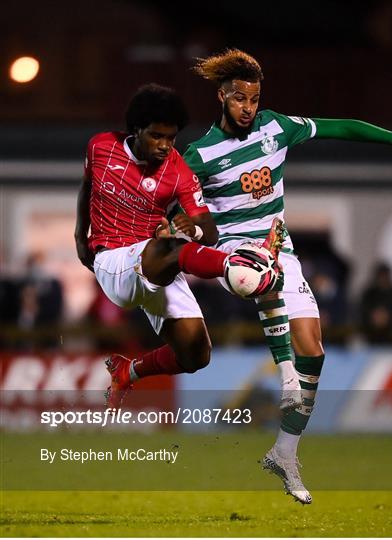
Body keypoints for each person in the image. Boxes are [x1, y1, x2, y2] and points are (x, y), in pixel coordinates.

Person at [183, 48, 392, 504]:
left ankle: (285, 453)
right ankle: (285, 374)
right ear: (222, 96)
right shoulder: (200, 153)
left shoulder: (275, 127)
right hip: (233, 255)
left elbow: (340, 126)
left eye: (255, 98)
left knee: (314, 352)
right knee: (256, 277)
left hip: (281, 251)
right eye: (241, 99)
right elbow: (174, 199)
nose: (249, 107)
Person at [74, 83, 283, 409]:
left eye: (171, 138)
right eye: (157, 136)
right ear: (136, 129)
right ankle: (237, 266)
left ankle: (128, 370)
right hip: (115, 262)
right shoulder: (101, 147)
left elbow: (209, 231)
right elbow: (87, 187)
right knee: (166, 246)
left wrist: (195, 231)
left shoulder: (179, 173)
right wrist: (79, 236)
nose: (165, 146)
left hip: (159, 262)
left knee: (196, 355)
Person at [359, 261, 392, 344]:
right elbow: (361, 312)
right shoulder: (369, 294)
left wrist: (388, 318)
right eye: (381, 275)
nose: (383, 278)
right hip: (371, 341)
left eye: (385, 275)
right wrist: (372, 317)